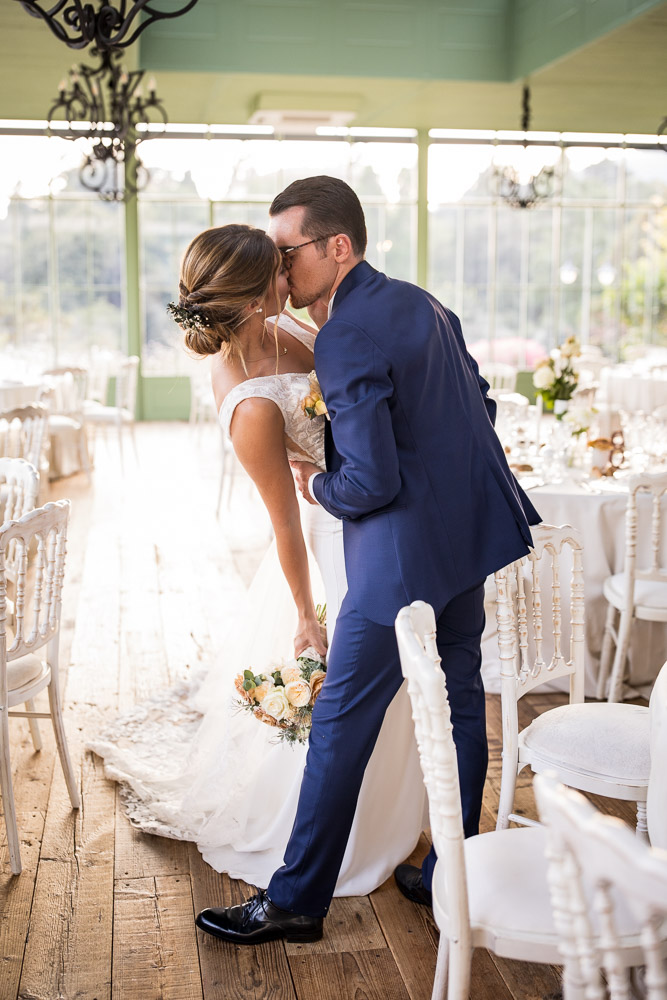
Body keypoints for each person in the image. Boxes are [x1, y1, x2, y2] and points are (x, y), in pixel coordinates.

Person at [194, 178, 541, 946]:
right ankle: (450, 874)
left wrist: (317, 483)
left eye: (287, 251)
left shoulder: (345, 334)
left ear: (337, 247)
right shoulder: (422, 302)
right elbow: (479, 405)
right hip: (469, 537)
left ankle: (295, 901)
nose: (279, 269)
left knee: (340, 721)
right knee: (460, 701)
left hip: (397, 561)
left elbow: (371, 483)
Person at [88, 222, 425, 896]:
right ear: (250, 299)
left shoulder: (292, 325)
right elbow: (284, 525)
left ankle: (387, 814)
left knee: (391, 684)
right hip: (328, 543)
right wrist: (305, 615)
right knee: (343, 692)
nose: (288, 275)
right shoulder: (250, 407)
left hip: (374, 514)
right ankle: (327, 836)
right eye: (278, 268)